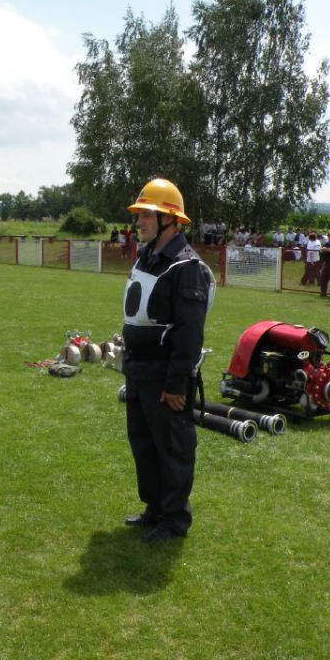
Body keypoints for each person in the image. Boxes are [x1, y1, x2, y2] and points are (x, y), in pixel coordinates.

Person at [121, 178, 214, 543]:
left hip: (164, 377)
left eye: (147, 214)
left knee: (171, 449)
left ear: (169, 220)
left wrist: (176, 384)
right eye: (140, 214)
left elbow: (190, 333)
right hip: (138, 371)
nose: (139, 221)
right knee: (143, 444)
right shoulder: (147, 255)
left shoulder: (186, 266)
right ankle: (154, 509)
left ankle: (174, 520)